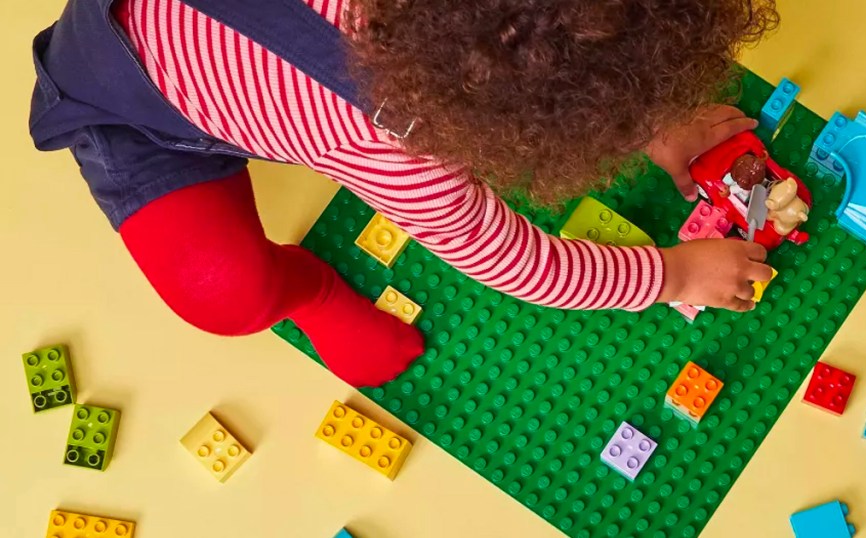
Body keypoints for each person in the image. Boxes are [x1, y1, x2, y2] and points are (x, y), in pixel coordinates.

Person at [29, 0, 778, 387]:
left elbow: (569, 31)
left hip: (230, 61)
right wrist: (674, 273)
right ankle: (310, 294)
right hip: (132, 107)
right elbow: (523, 264)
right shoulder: (402, 148)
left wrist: (650, 118)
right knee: (221, 293)